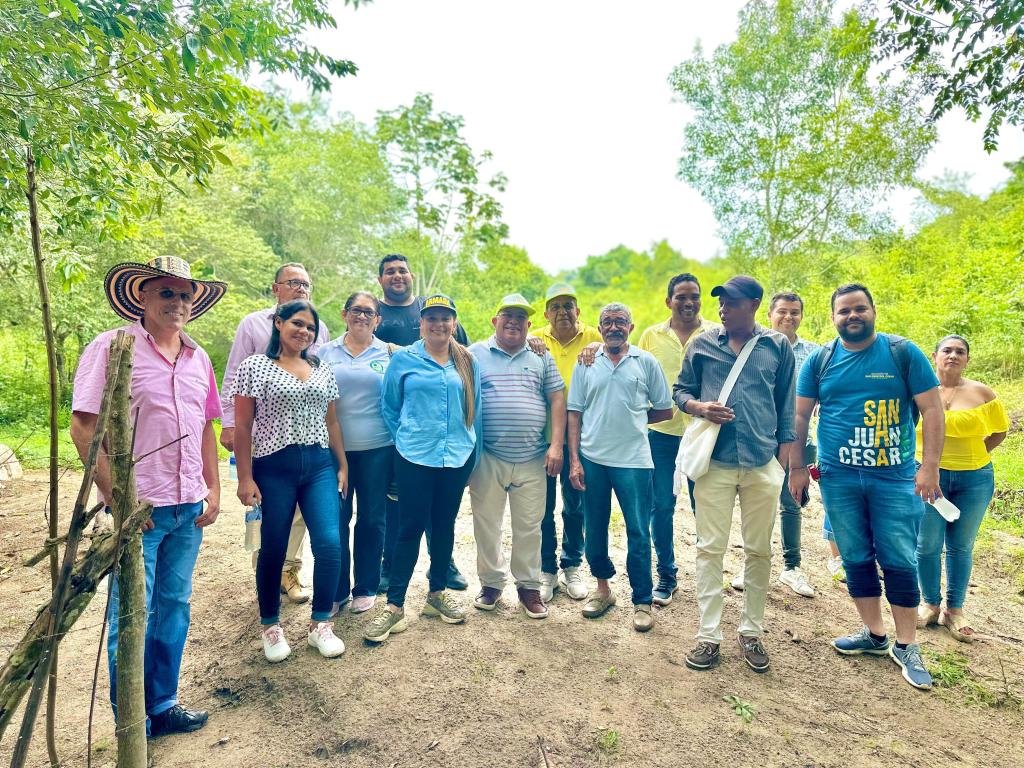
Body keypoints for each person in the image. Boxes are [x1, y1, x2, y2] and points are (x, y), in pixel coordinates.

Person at [70, 256, 226, 737]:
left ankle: (163, 703)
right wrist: (118, 498)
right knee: (133, 611)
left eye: (185, 295)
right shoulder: (113, 347)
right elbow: (84, 427)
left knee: (174, 605)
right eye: (166, 293)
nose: (177, 302)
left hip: (187, 506)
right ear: (142, 296)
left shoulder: (198, 357)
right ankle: (132, 719)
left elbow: (205, 426)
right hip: (141, 508)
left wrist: (213, 487)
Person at [789, 283, 944, 691]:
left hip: (894, 477)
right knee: (855, 556)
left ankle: (906, 644)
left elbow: (932, 409)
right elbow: (800, 416)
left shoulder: (902, 353)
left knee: (899, 558)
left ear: (873, 311)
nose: (852, 316)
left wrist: (930, 467)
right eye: (844, 311)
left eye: (859, 308)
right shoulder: (821, 360)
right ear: (833, 317)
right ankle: (875, 635)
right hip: (838, 477)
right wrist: (797, 467)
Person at [674, 275, 795, 674]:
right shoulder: (703, 343)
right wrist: (700, 407)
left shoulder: (776, 346)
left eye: (733, 302)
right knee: (710, 548)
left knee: (759, 550)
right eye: (721, 302)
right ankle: (708, 636)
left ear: (755, 304)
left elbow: (786, 406)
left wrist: (783, 464)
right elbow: (680, 390)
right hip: (716, 464)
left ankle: (751, 631)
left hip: (761, 463)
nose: (723, 308)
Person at [232, 299, 349, 663]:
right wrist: (245, 478)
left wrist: (342, 465)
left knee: (329, 543)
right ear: (279, 323)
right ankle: (270, 625)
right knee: (274, 547)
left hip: (318, 466)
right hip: (273, 466)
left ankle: (320, 624)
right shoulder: (255, 366)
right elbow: (243, 426)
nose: (304, 331)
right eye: (297, 323)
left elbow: (332, 421)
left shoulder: (322, 369)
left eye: (311, 327)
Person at [365, 294, 481, 643]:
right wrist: (405, 437)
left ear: (454, 323)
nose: (438, 324)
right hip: (415, 456)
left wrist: (473, 452)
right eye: (431, 317)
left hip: (456, 456)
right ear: (421, 322)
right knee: (409, 527)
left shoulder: (467, 360)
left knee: (444, 525)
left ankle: (437, 594)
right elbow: (389, 406)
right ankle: (395, 606)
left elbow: (476, 407)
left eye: (445, 318)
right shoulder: (404, 359)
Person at [220, 262, 329, 603]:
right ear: (276, 288)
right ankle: (266, 575)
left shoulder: (319, 327)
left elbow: (321, 376)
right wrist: (229, 423)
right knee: (268, 510)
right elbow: (234, 374)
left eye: (306, 284)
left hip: (307, 437)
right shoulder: (252, 324)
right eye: (293, 282)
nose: (301, 288)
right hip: (263, 435)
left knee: (301, 514)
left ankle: (289, 571)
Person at [567, 303, 673, 633]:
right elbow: (575, 413)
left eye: (621, 322)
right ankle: (603, 590)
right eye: (608, 322)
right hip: (593, 459)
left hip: (634, 461)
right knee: (594, 527)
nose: (614, 327)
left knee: (638, 531)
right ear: (599, 328)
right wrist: (574, 460)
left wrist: (634, 419)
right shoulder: (587, 361)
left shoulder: (646, 361)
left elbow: (665, 409)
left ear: (631, 326)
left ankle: (642, 600)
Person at [468, 294, 566, 619]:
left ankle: (528, 587)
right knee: (486, 523)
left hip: (533, 456)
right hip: (488, 456)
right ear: (494, 321)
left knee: (530, 526)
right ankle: (491, 584)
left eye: (521, 317)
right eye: (507, 315)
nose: (513, 321)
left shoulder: (541, 354)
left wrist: (556, 446)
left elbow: (557, 398)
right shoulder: (474, 354)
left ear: (529, 325)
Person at [375, 254, 468, 591]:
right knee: (399, 511)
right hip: (403, 443)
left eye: (402, 270)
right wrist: (403, 437)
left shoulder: (457, 348)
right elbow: (389, 404)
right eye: (390, 272)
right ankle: (389, 570)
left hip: (449, 445)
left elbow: (470, 390)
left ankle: (442, 570)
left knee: (441, 516)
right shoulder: (375, 314)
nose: (397, 276)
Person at [916, 334, 1008, 642]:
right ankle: (930, 604)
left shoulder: (982, 392)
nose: (953, 355)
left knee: (960, 546)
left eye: (960, 351)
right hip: (929, 477)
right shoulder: (919, 390)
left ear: (967, 359)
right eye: (947, 350)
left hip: (974, 480)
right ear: (935, 356)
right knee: (927, 544)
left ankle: (954, 610)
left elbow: (1000, 431)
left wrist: (973, 457)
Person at [636, 273, 718, 606]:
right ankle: (666, 575)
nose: (688, 302)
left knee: (706, 506)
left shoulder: (716, 333)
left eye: (694, 296)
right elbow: (638, 376)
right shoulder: (651, 336)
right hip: (661, 434)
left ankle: (708, 577)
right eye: (681, 297)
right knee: (660, 506)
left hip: (703, 434)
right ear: (668, 301)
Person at [732, 292, 821, 598]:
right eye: (782, 311)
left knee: (791, 502)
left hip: (800, 440)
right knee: (757, 503)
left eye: (795, 312)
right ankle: (752, 565)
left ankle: (792, 567)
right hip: (761, 438)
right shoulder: (756, 346)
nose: (788, 317)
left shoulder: (814, 353)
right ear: (769, 314)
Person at [320, 292, 395, 615]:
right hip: (332, 451)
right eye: (356, 310)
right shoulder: (324, 352)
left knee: (372, 519)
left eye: (368, 312)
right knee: (335, 520)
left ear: (378, 319)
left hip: (378, 449)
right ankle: (336, 590)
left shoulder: (390, 353)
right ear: (344, 314)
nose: (362, 316)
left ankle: (366, 585)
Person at [533, 283, 603, 602]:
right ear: (546, 314)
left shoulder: (594, 338)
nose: (562, 312)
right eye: (556, 307)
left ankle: (571, 565)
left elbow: (616, 352)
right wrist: (528, 340)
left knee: (575, 506)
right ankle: (546, 568)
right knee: (542, 508)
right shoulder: (534, 338)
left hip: (580, 440)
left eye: (568, 305)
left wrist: (598, 347)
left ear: (578, 311)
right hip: (542, 438)